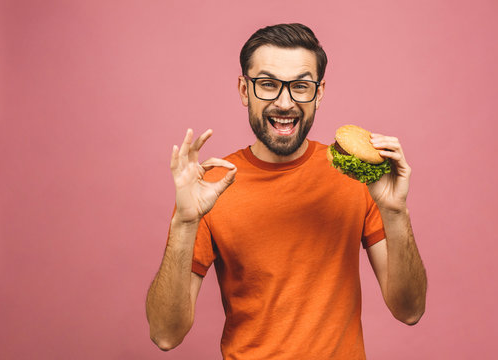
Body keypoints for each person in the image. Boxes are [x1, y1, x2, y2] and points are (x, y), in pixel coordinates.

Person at [146, 23, 427, 359]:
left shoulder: (355, 176)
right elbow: (165, 334)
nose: (284, 102)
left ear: (319, 93)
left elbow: (409, 310)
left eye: (300, 86)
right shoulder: (211, 186)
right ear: (243, 90)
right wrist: (184, 223)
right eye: (267, 84)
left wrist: (396, 212)